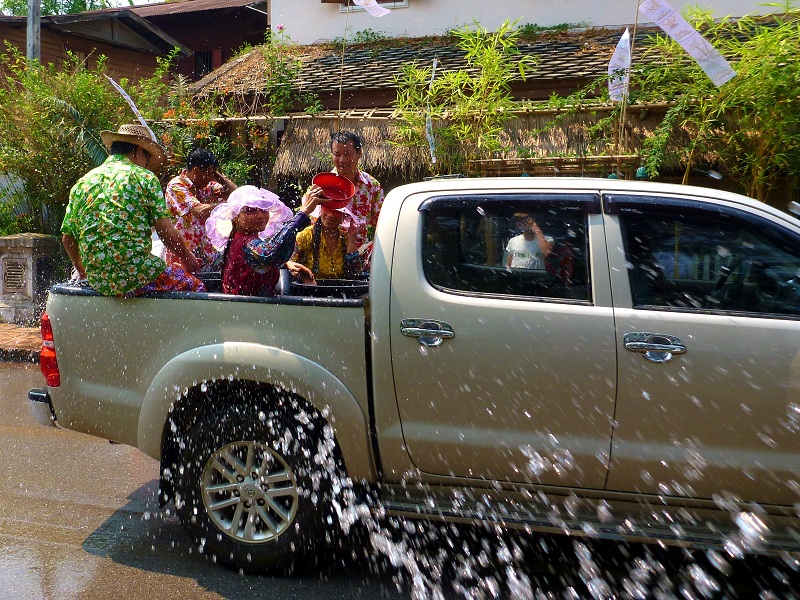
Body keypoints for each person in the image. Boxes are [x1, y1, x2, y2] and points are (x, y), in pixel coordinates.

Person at [61, 124, 203, 296]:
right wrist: (188, 258)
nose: (147, 164)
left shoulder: (83, 182)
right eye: (147, 159)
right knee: (196, 287)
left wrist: (83, 273)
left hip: (98, 281)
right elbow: (165, 231)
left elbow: (67, 238)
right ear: (137, 152)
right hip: (138, 275)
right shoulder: (145, 178)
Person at [206, 185, 322, 296]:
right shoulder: (246, 242)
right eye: (251, 210)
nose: (261, 215)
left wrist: (286, 264)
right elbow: (270, 253)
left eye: (264, 209)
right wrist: (303, 212)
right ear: (236, 217)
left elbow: (262, 258)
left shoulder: (239, 240)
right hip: (246, 310)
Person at [164, 147, 238, 270]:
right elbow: (199, 211)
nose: (211, 178)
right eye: (209, 173)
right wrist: (228, 205)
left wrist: (216, 174)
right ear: (196, 171)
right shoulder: (177, 185)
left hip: (207, 253)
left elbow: (237, 194)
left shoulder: (208, 186)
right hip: (184, 254)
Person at [328, 131, 383, 249]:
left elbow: (382, 224)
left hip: (360, 257)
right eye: (337, 154)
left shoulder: (372, 186)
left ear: (359, 153)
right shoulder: (323, 185)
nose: (342, 160)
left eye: (347, 154)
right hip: (328, 258)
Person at [286, 204, 365, 282]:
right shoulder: (306, 236)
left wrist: (352, 237)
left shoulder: (344, 239)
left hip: (340, 291)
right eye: (328, 208)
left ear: (344, 215)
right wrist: (304, 276)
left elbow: (354, 275)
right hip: (312, 290)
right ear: (321, 208)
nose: (330, 214)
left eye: (337, 211)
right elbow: (291, 265)